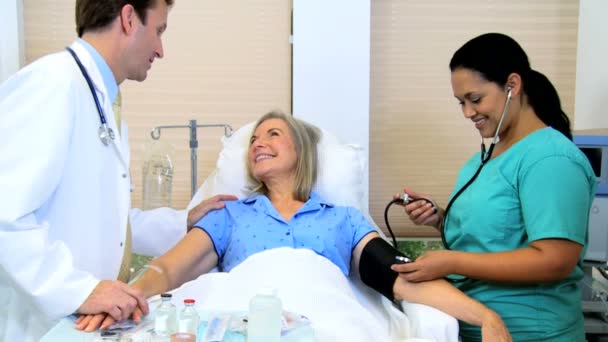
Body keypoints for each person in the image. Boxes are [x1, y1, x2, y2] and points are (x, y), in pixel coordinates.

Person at [76, 111, 512, 341]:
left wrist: (485, 316)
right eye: (254, 140)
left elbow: (400, 277)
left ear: (301, 152)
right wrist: (119, 297)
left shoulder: (341, 219)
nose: (259, 144)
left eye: (272, 135)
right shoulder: (229, 213)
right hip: (245, 317)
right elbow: (169, 270)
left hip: (324, 316)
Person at [0, 1, 236, 340]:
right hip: (38, 326)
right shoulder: (51, 84)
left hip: (84, 323)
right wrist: (80, 291)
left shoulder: (102, 104)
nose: (161, 49)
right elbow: (5, 215)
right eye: (158, 30)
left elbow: (107, 221)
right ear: (128, 18)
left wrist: (181, 222)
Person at [392, 33, 596, 341]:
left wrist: (452, 261)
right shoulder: (485, 158)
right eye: (461, 103)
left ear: (512, 86)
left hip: (529, 332)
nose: (468, 113)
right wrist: (438, 218)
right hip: (475, 327)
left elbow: (556, 259)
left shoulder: (550, 159)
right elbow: (493, 238)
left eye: (475, 99)